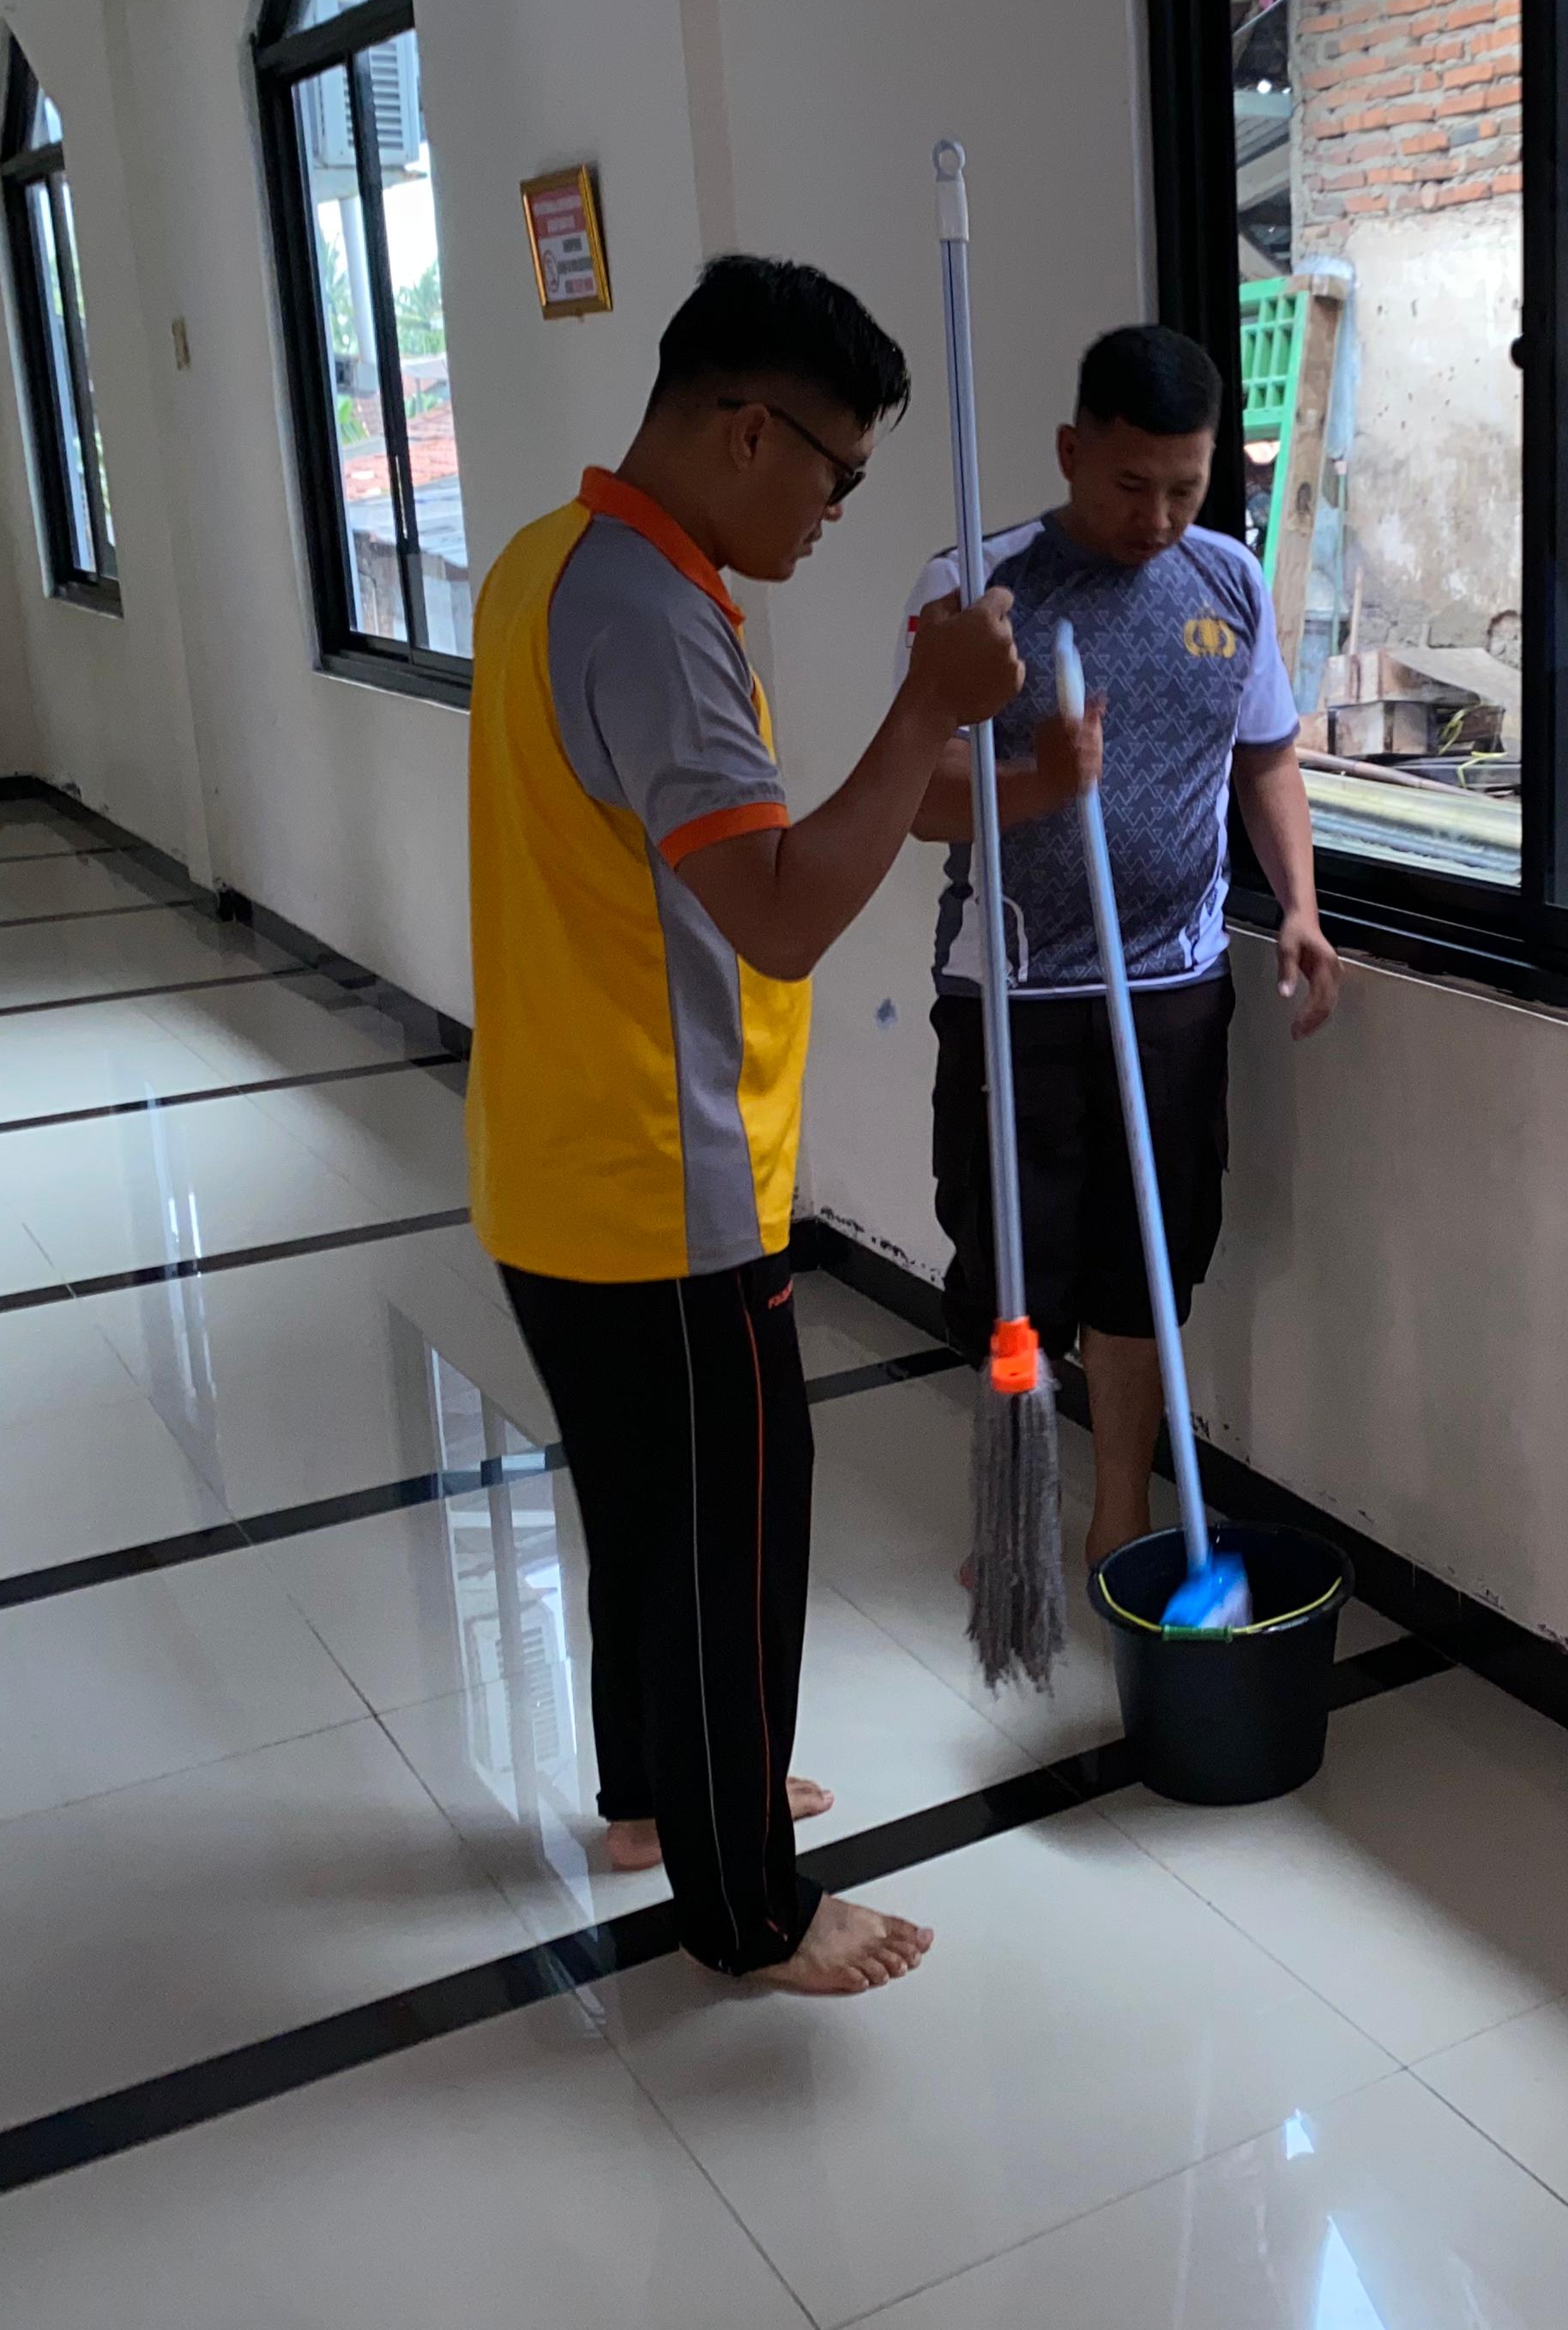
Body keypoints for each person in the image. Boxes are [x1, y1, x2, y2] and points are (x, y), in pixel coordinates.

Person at [467, 255, 1027, 1997]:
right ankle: (749, 1907)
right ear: (744, 429)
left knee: (651, 1520)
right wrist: (927, 708)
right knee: (735, 1538)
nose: (836, 513)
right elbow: (779, 914)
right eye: (835, 474)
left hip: (557, 1162)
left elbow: (720, 849)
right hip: (662, 1184)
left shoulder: (556, 563)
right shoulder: (654, 617)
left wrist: (956, 756)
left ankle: (662, 1796)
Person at [907, 323, 1342, 1568]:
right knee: (1014, 1274)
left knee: (1144, 1264)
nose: (1157, 517)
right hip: (1015, 993)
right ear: (1070, 451)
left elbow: (1266, 758)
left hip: (1174, 989)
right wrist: (1043, 781)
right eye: (1129, 484)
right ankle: (1011, 1515)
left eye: (1185, 489)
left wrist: (1299, 904)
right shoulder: (977, 592)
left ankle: (1120, 1521)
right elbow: (919, 797)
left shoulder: (1230, 582)